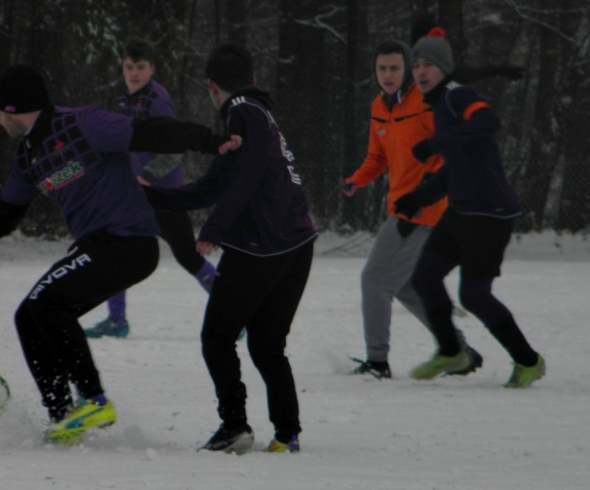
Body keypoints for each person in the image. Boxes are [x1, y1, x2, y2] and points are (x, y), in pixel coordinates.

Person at [0, 64, 241, 444]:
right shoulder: (27, 158)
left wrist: (209, 140)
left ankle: (93, 399)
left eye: (0, 113)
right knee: (29, 315)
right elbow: (4, 215)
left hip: (129, 242)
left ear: (14, 109)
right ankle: (64, 415)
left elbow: (148, 132)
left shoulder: (81, 124)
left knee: (47, 304)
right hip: (99, 246)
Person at [145, 43, 317, 454]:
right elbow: (216, 183)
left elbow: (250, 177)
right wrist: (157, 198)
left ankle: (234, 426)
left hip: (262, 246)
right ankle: (287, 434)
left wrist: (216, 228)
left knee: (217, 336)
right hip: (297, 243)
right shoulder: (260, 117)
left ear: (211, 87)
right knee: (266, 342)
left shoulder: (242, 109)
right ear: (254, 79)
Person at [394, 28, 546, 388]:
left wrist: (434, 143)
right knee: (424, 279)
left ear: (444, 68)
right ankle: (451, 351)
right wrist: (419, 197)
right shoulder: (441, 104)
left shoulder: (455, 95)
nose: (420, 71)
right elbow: (457, 167)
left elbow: (487, 122)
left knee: (474, 295)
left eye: (428, 64)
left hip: (490, 213)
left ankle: (528, 361)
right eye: (415, 64)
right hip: (462, 211)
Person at [342, 39, 482, 380]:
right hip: (401, 205)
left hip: (423, 209)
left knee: (374, 280)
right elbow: (379, 156)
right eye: (381, 68)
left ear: (407, 70)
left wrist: (427, 190)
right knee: (407, 285)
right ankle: (459, 351)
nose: (387, 75)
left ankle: (377, 362)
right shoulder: (379, 105)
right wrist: (358, 179)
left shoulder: (427, 103)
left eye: (394, 68)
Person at [84, 40, 217, 339]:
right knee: (114, 250)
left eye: (140, 67)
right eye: (129, 67)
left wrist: (146, 175)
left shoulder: (157, 100)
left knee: (187, 255)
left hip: (164, 195)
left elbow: (175, 147)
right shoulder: (121, 100)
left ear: (152, 69)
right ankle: (116, 322)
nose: (133, 72)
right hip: (132, 196)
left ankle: (236, 316)